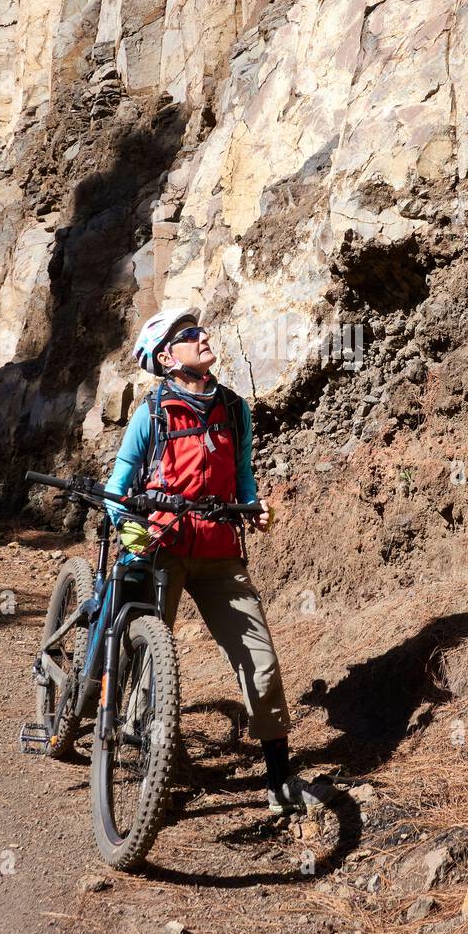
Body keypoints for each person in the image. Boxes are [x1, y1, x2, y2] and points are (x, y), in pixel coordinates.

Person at [103, 306, 306, 815]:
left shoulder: (234, 408)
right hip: (161, 547)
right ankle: (144, 767)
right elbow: (117, 487)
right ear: (167, 357)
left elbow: (243, 477)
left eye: (200, 330)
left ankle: (279, 775)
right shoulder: (151, 413)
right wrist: (127, 523)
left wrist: (253, 507)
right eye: (189, 335)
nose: (203, 336)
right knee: (150, 659)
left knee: (261, 664)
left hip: (219, 554)